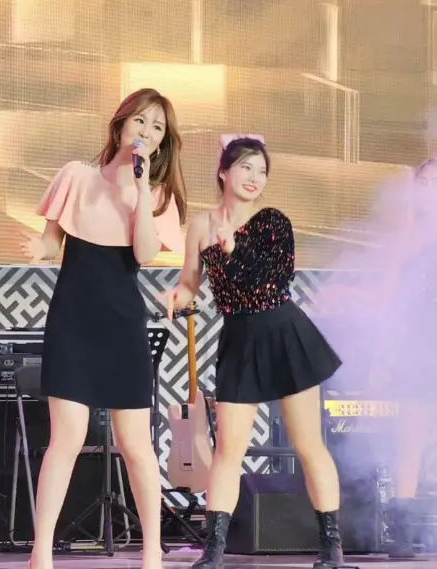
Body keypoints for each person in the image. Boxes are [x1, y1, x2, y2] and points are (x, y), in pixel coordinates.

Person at [18, 88, 186, 569]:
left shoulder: (158, 196)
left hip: (122, 325)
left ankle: (152, 553)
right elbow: (52, 243)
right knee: (66, 437)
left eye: (157, 127)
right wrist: (38, 249)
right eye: (140, 120)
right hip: (72, 319)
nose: (146, 131)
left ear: (162, 141)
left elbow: (145, 254)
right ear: (120, 124)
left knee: (135, 443)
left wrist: (140, 192)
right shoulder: (76, 175)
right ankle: (41, 553)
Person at [159, 136, 346, 569]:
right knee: (228, 449)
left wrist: (233, 248)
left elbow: (276, 279)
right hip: (239, 339)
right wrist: (175, 297)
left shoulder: (273, 221)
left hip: (284, 334)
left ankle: (331, 551)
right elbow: (189, 284)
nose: (254, 178)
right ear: (224, 172)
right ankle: (213, 553)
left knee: (308, 444)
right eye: (246, 167)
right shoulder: (202, 225)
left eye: (262, 171)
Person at [314, 157, 437, 560]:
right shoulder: (405, 240)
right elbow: (386, 296)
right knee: (410, 440)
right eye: (423, 182)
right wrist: (343, 294)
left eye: (435, 182)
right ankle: (401, 534)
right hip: (419, 347)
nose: (428, 190)